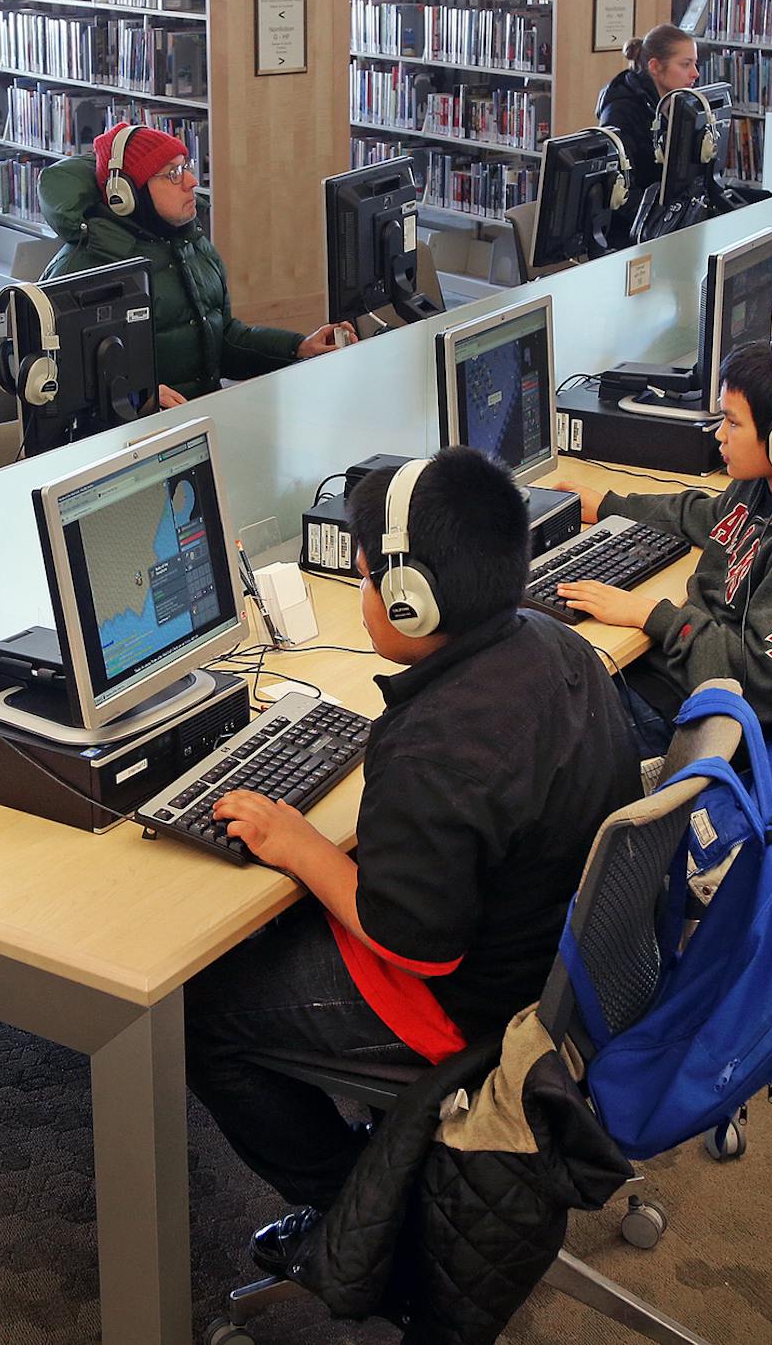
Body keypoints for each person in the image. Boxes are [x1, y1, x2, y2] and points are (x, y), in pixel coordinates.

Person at [183, 447, 640, 1217]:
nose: (364, 593)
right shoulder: (550, 638)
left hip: (478, 1003)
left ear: (409, 600)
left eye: (367, 577)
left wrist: (303, 846)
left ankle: (360, 1215)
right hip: (568, 962)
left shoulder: (438, 742)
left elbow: (416, 943)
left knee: (198, 1013)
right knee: (274, 921)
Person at [556, 334, 772, 756]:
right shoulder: (766, 487)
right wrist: (609, 505)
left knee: (535, 727)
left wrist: (652, 615)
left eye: (733, 423)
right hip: (678, 679)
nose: (719, 435)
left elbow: (759, 680)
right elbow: (706, 516)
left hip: (698, 719)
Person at [38, 122, 355, 408]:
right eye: (172, 174)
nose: (190, 181)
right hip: (133, 444)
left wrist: (298, 347)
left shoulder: (189, 243)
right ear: (127, 195)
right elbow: (52, 383)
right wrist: (135, 395)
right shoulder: (83, 268)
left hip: (200, 419)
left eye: (185, 167)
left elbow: (223, 340)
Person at [597, 23, 698, 219]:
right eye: (685, 64)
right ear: (655, 66)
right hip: (640, 227)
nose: (695, 73)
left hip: (673, 214)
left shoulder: (678, 103)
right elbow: (622, 192)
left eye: (695, 63)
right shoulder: (620, 111)